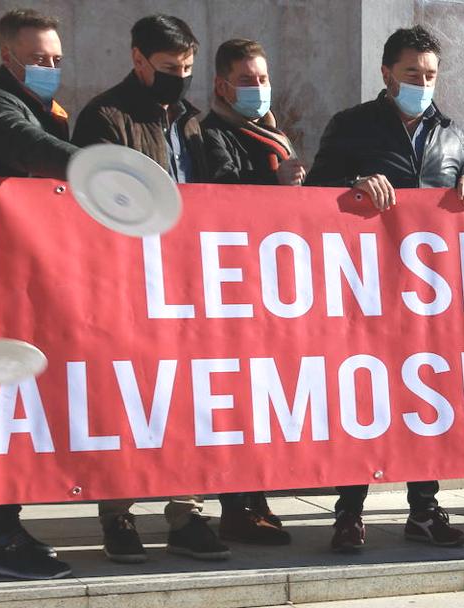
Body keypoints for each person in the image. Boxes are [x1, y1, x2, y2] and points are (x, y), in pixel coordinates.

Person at [305, 25, 464, 552]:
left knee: (426, 399)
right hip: (364, 289)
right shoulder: (351, 126)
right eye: (412, 73)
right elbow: (313, 196)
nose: (422, 83)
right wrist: (353, 187)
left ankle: (424, 509)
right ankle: (349, 512)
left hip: (428, 295)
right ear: (387, 74)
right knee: (364, 398)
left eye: (430, 75)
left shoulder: (451, 134)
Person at [72, 14, 228, 564]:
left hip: (184, 278)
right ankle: (118, 515)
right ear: (138, 60)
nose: (179, 78)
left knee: (184, 399)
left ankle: (186, 515)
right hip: (127, 279)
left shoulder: (189, 118)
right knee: (127, 399)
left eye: (187, 68)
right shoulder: (104, 117)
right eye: (168, 69)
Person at [0, 8, 77, 580]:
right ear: (8, 58)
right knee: (4, 402)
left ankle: (6, 527)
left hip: (28, 278)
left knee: (24, 402)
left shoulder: (44, 106)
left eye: (55, 59)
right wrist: (101, 167)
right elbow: (29, 149)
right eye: (38, 60)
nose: (50, 68)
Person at [199, 37, 306, 547]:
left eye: (263, 79)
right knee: (235, 401)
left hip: (267, 288)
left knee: (260, 401)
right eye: (247, 80)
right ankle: (236, 506)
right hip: (231, 286)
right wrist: (276, 184)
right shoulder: (211, 133)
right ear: (222, 85)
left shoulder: (268, 133)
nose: (258, 88)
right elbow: (221, 198)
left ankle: (255, 498)